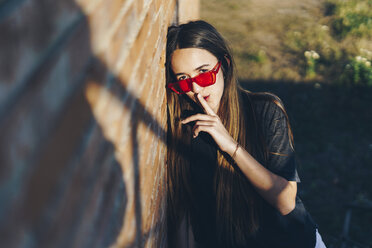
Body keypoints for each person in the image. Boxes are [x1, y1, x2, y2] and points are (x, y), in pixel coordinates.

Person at [165, 20, 327, 248]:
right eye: (183, 80)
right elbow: (184, 212)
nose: (196, 89)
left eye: (203, 74)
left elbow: (285, 201)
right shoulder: (184, 128)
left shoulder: (265, 110)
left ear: (225, 64)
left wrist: (230, 145)